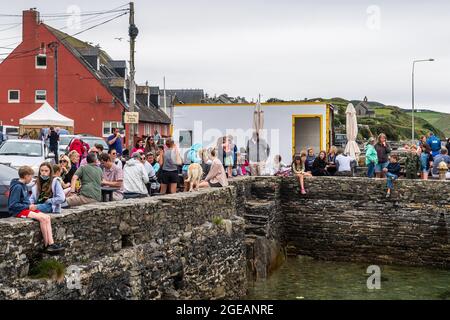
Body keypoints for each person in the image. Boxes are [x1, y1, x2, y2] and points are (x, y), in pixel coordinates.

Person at [7, 166, 64, 253]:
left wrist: (30, 205)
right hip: (19, 211)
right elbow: (13, 205)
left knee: (47, 217)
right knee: (42, 218)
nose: (31, 179)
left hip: (26, 208)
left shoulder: (23, 185)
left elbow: (25, 201)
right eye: (31, 176)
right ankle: (47, 245)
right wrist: (28, 206)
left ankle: (51, 243)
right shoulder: (18, 187)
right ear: (26, 176)